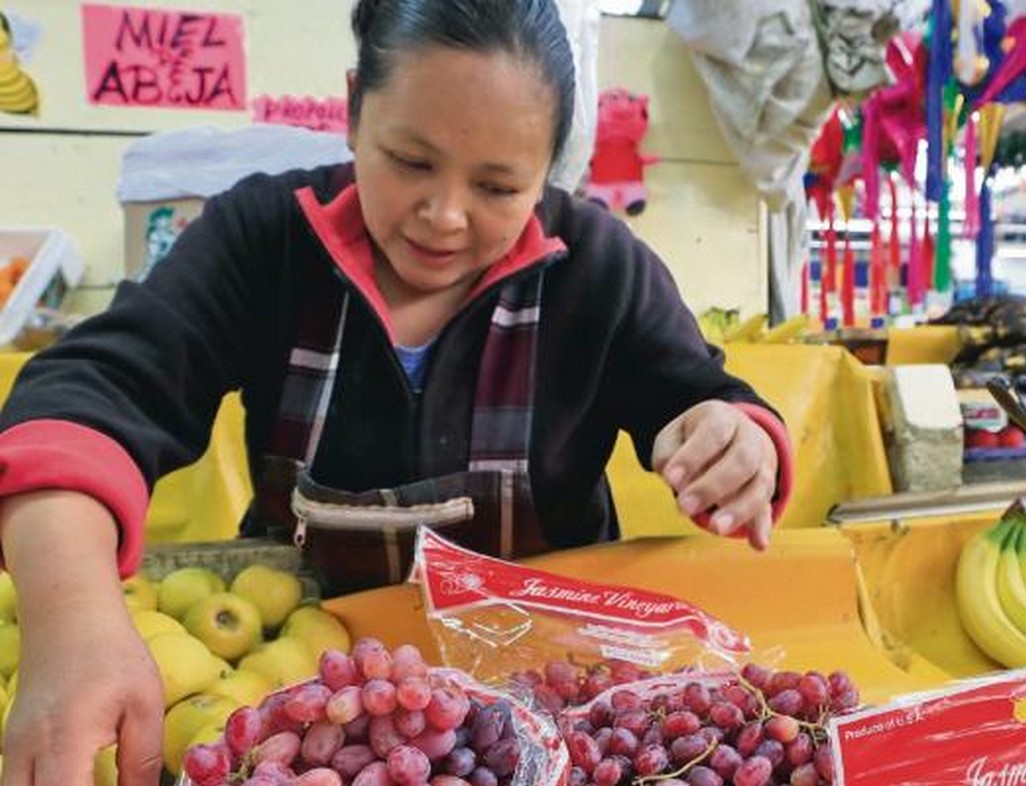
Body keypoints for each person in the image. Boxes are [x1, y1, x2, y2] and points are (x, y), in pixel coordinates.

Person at [0, 0, 794, 781]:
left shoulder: (597, 267)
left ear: (548, 168)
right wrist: (69, 617)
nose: (444, 217)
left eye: (498, 187)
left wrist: (731, 441)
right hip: (316, 711)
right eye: (411, 162)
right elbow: (94, 392)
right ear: (354, 110)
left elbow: (702, 395)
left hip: (551, 707)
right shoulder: (266, 239)